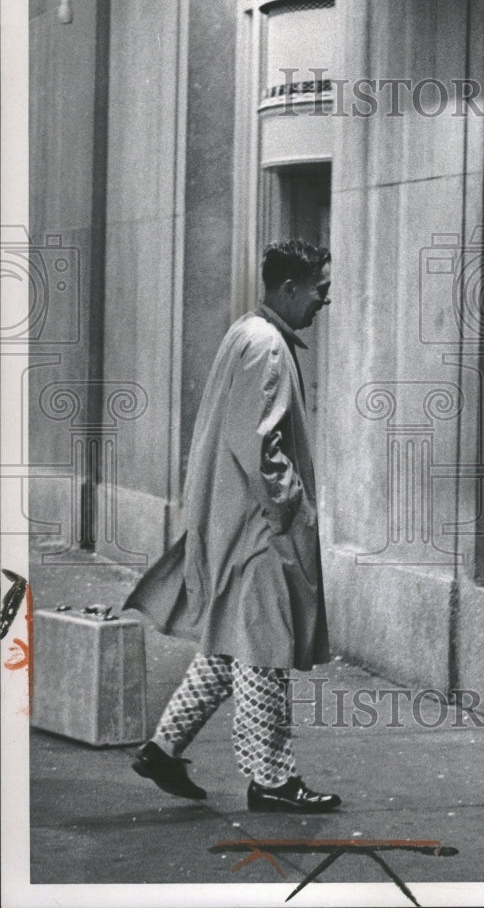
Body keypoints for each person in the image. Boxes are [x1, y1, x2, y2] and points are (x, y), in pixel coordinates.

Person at [123, 239, 338, 813]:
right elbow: (260, 444)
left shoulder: (245, 331)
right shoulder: (268, 345)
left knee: (230, 646)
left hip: (233, 520)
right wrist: (293, 505)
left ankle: (164, 750)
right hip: (259, 529)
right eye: (320, 290)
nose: (326, 301)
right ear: (289, 289)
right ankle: (271, 780)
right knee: (264, 651)